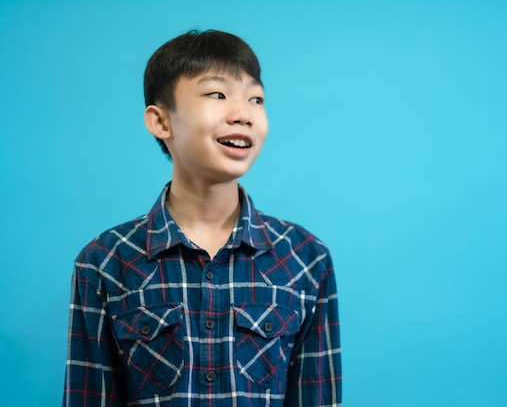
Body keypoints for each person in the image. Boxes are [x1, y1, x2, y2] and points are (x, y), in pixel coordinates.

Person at [63, 29, 341, 407]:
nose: (243, 114)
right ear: (161, 122)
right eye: (217, 94)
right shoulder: (104, 262)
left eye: (256, 99)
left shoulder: (306, 259)